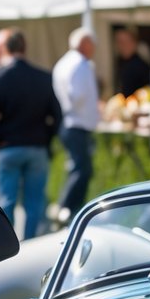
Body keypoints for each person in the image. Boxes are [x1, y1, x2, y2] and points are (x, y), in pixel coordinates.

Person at [0, 29, 61, 239]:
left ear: (5, 48)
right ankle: (30, 245)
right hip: (37, 147)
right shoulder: (43, 76)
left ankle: (7, 245)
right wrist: (45, 137)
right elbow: (58, 116)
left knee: (6, 200)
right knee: (34, 203)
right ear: (24, 48)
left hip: (9, 148)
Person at [52, 27, 101, 224]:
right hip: (77, 123)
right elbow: (77, 95)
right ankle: (68, 210)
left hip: (71, 122)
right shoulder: (79, 64)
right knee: (82, 170)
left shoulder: (65, 62)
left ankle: (68, 210)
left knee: (78, 169)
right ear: (85, 44)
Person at [114, 27, 150, 97]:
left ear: (134, 43)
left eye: (125, 42)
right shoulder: (119, 62)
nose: (122, 46)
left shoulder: (141, 66)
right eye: (119, 42)